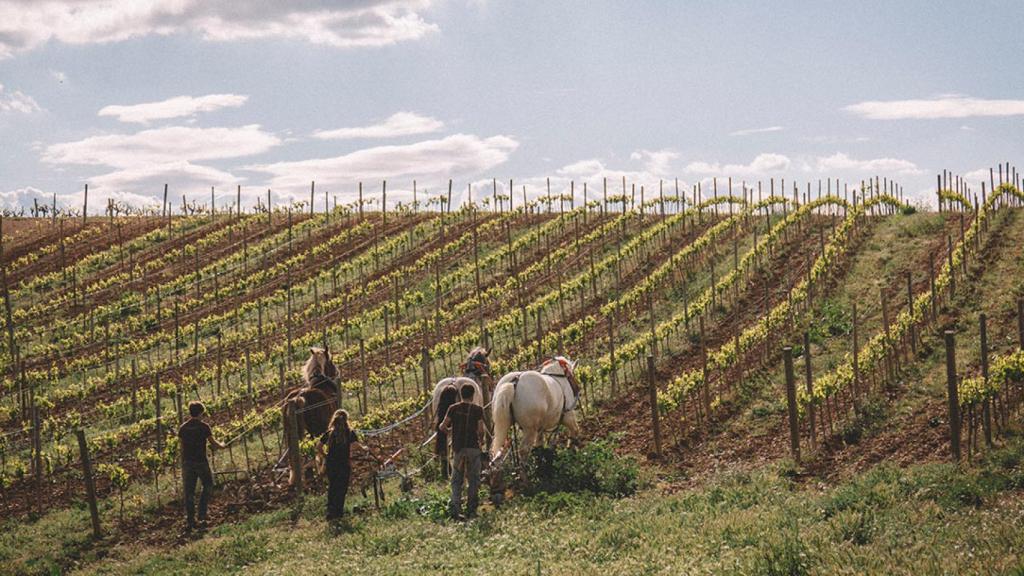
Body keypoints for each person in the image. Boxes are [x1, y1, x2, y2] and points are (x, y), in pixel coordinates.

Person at [178, 401, 226, 532]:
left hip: (187, 463)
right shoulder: (204, 427)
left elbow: (182, 448)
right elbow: (213, 443)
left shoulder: (183, 428)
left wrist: (183, 464)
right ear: (201, 413)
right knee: (208, 485)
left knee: (189, 492)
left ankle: (190, 519)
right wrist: (222, 445)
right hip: (201, 462)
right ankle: (202, 513)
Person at [440, 384, 485, 520]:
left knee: (456, 479)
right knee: (474, 479)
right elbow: (481, 430)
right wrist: (481, 441)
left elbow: (442, 426)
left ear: (460, 395)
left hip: (458, 448)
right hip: (473, 448)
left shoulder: (453, 408)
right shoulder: (478, 410)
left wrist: (450, 432)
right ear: (472, 395)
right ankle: (472, 508)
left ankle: (456, 507)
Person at [316, 409, 369, 521]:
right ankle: (338, 513)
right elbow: (355, 445)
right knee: (341, 489)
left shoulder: (330, 434)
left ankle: (330, 512)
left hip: (331, 465)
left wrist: (325, 455)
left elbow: (318, 447)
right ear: (346, 420)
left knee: (332, 487)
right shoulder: (349, 433)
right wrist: (364, 448)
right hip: (343, 464)